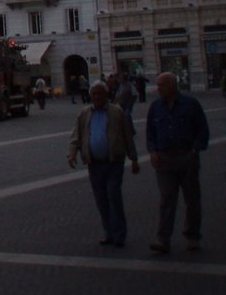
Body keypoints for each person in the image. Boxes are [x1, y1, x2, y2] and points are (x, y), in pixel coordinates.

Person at [67, 81, 140, 247]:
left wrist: (134, 158)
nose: (97, 97)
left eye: (100, 94)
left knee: (113, 195)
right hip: (94, 164)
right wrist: (71, 155)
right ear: (91, 96)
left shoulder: (116, 112)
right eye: (94, 94)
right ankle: (109, 232)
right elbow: (76, 136)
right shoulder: (85, 114)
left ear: (107, 95)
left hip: (114, 161)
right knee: (101, 199)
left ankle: (119, 234)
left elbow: (127, 136)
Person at [146, 72, 210, 253]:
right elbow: (150, 132)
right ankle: (163, 239)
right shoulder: (156, 106)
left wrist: (195, 150)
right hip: (164, 159)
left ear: (173, 86)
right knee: (166, 200)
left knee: (192, 199)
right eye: (158, 85)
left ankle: (193, 236)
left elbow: (202, 130)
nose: (158, 89)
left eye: (162, 85)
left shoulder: (191, 104)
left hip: (186, 157)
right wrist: (152, 151)